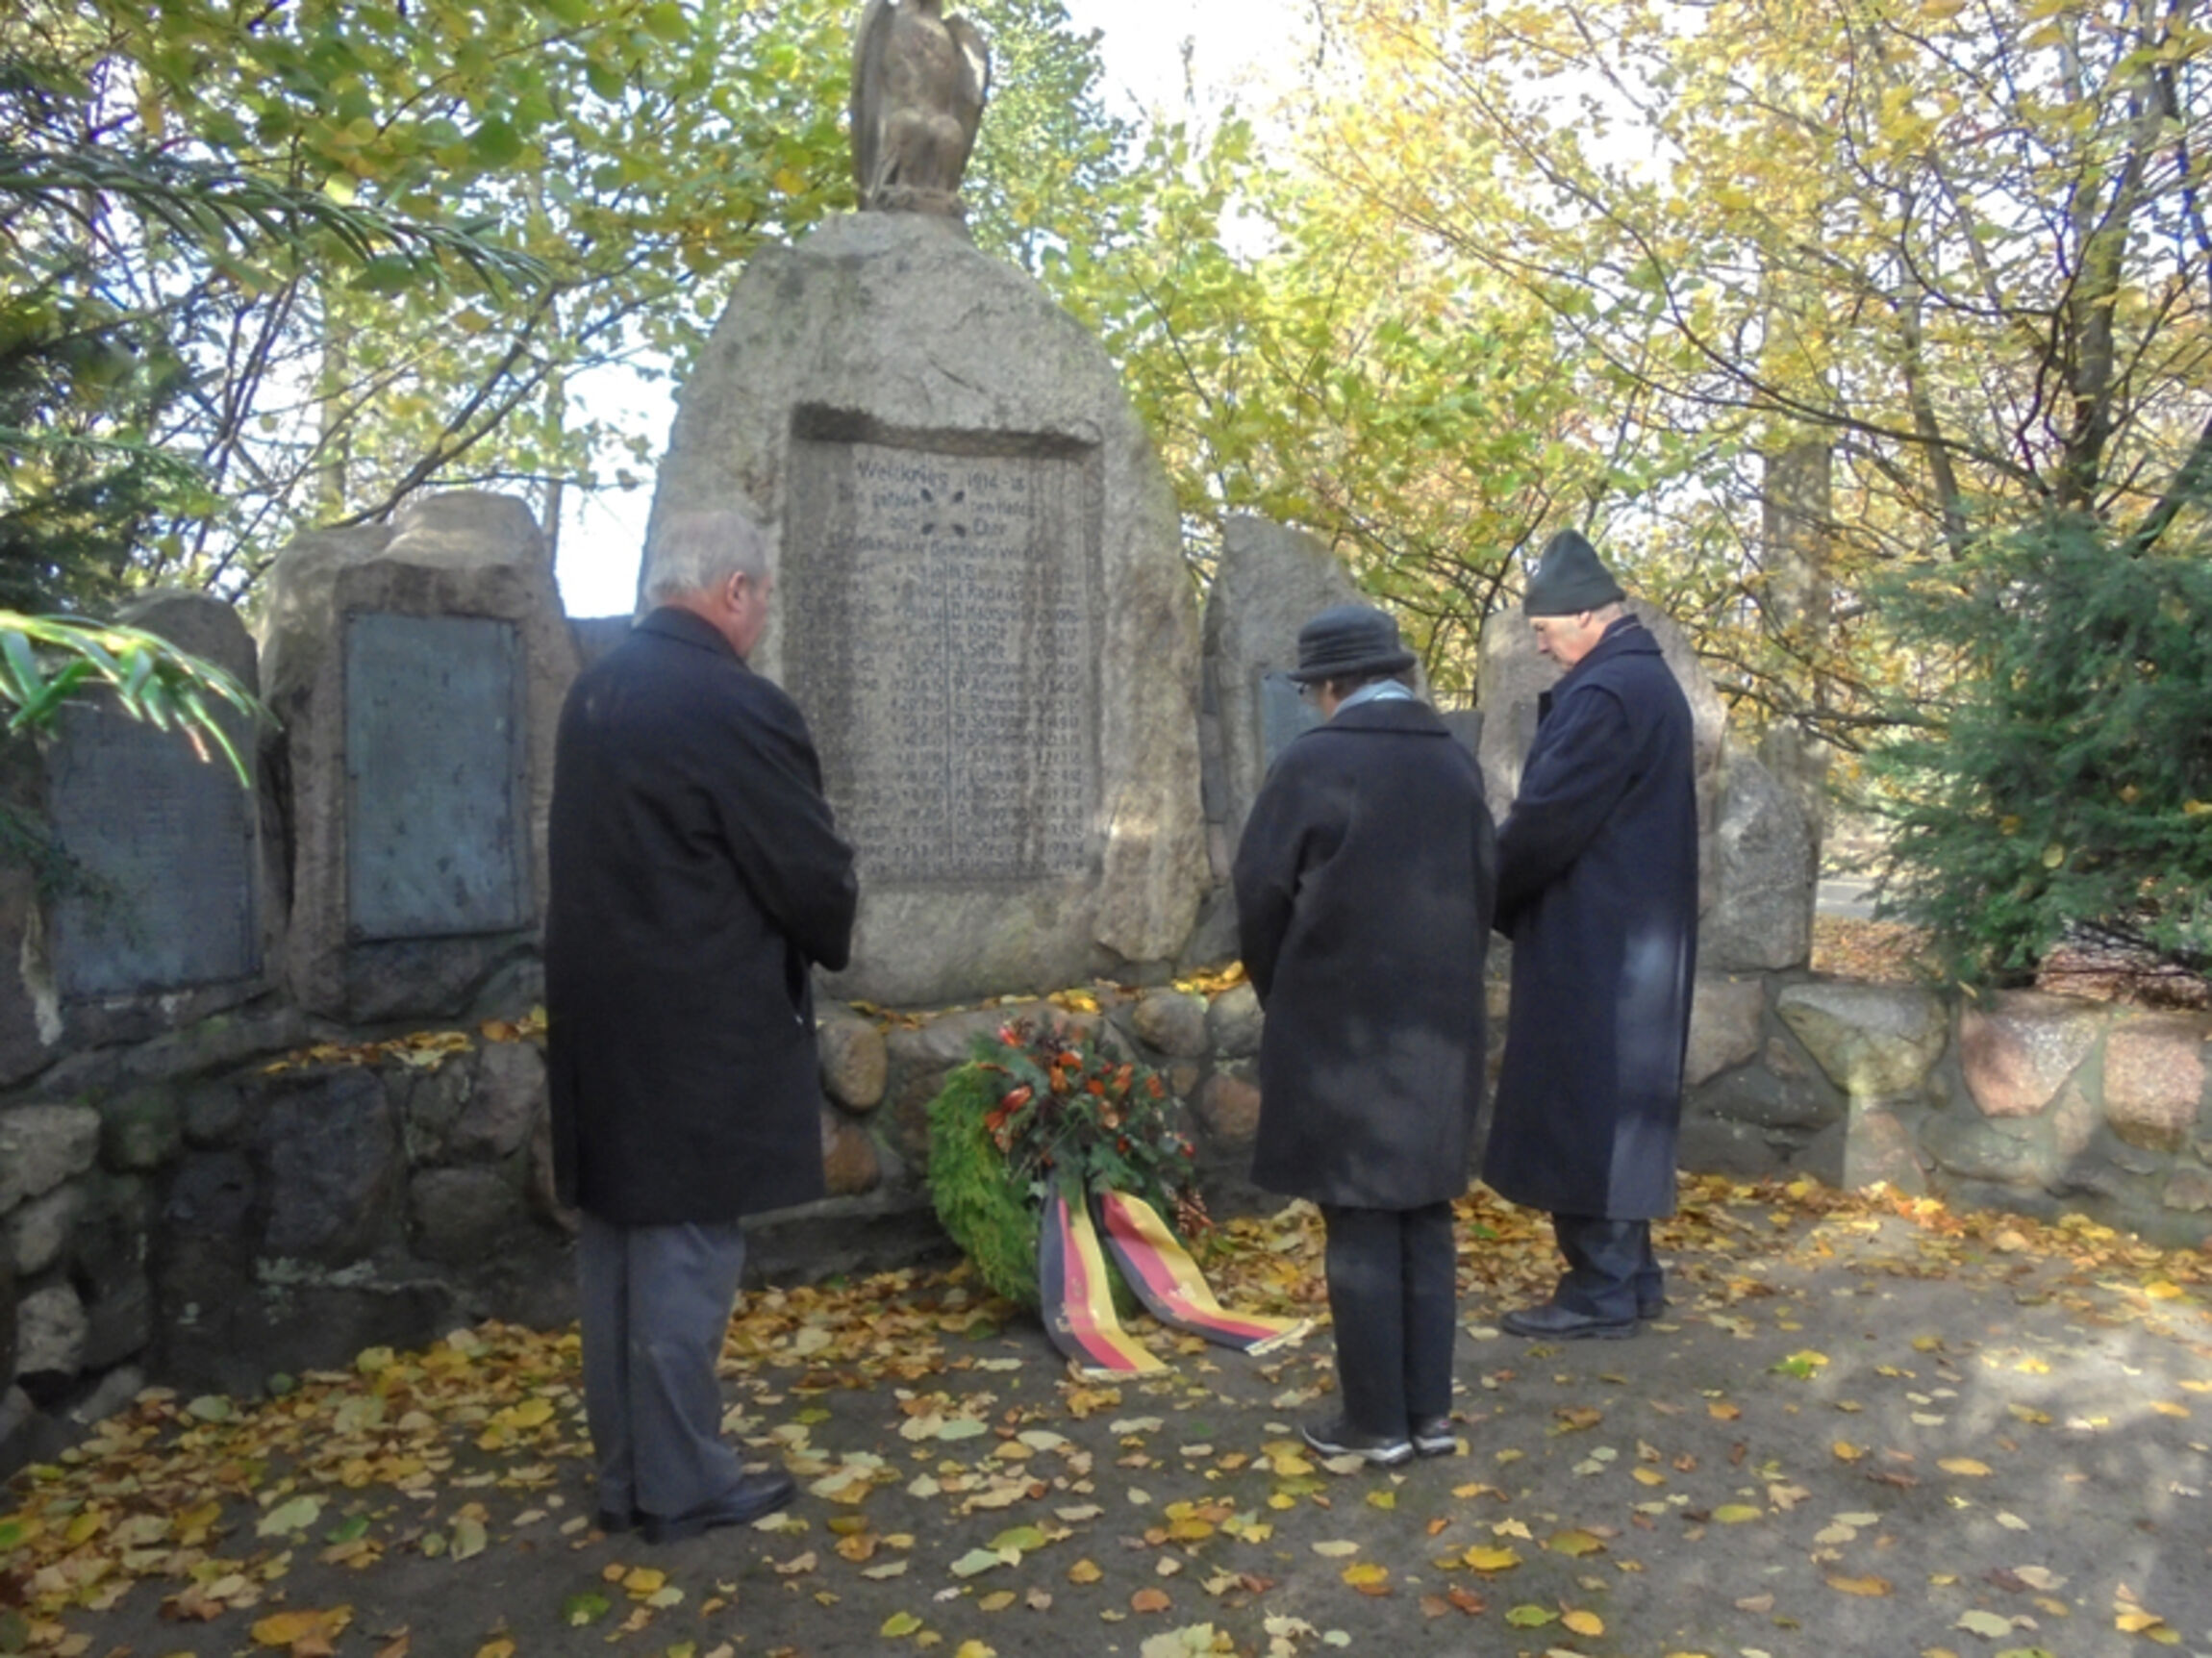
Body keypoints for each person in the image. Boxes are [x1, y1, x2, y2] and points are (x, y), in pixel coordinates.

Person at [547, 508, 858, 1544]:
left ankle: (628, 1471)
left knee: (619, 1250)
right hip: (696, 1022)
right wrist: (831, 920)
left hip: (601, 1022)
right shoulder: (731, 702)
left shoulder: (596, 689)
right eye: (760, 596)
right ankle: (680, 1484)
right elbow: (805, 872)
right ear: (732, 589)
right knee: (684, 1250)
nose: (761, 616)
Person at [1233, 604, 1496, 1467]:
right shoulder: (1455, 767)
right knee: (1424, 1215)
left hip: (1343, 1037)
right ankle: (1431, 1416)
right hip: (1440, 1036)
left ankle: (1375, 1423)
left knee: (1357, 1221)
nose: (1313, 704)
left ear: (1334, 686)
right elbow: (1487, 889)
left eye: (1315, 689)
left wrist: (1289, 998)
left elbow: (1259, 897)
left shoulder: (1316, 763)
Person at [1484, 528, 1698, 1341]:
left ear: (1584, 617)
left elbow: (1548, 819)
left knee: (1585, 1100)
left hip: (1595, 937)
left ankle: (1600, 1286)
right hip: (1632, 934)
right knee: (1622, 1102)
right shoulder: (1642, 684)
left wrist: (1486, 888)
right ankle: (1632, 1274)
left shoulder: (1607, 696)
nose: (1540, 646)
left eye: (1544, 630)